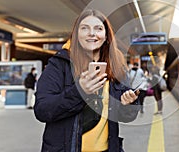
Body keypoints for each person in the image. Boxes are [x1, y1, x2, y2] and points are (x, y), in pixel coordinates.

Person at [34, 9, 140, 152]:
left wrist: (128, 104)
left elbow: (124, 116)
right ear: (76, 35)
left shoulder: (116, 66)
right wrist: (79, 91)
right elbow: (42, 110)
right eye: (85, 28)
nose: (92, 33)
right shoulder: (59, 64)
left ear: (106, 36)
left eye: (98, 28)